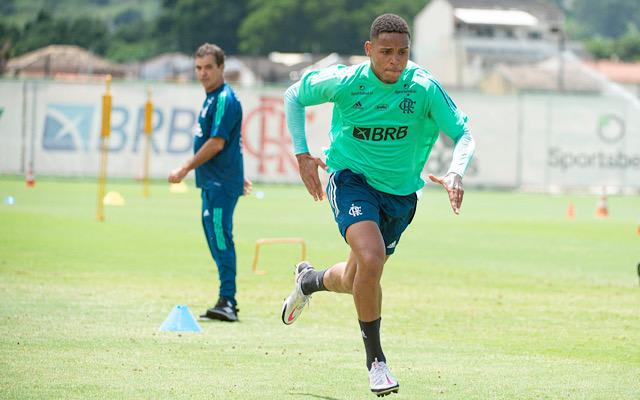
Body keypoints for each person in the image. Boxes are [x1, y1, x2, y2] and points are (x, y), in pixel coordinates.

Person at [281, 13, 475, 397]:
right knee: (370, 260)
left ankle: (308, 281)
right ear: (369, 50)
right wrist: (303, 154)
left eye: (402, 53)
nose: (394, 61)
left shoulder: (422, 88)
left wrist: (456, 172)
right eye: (386, 52)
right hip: (351, 180)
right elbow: (294, 96)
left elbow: (463, 133)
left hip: (400, 196)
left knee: (356, 279)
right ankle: (377, 363)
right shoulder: (347, 82)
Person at [169, 43, 251, 322]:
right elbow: (229, 144)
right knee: (214, 236)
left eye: (208, 68)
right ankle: (225, 298)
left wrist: (184, 168)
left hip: (219, 184)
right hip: (215, 181)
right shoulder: (211, 98)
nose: (202, 73)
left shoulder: (225, 99)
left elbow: (217, 143)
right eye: (198, 68)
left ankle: (228, 300)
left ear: (221, 68)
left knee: (220, 237)